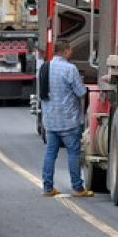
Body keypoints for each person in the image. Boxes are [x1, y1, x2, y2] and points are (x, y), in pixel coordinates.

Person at [41, 38, 94, 198]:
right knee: (73, 153)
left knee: (50, 153)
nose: (71, 52)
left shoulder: (44, 68)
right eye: (70, 50)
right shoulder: (70, 69)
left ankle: (48, 187)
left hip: (50, 119)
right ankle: (78, 188)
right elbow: (81, 92)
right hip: (68, 119)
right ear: (64, 51)